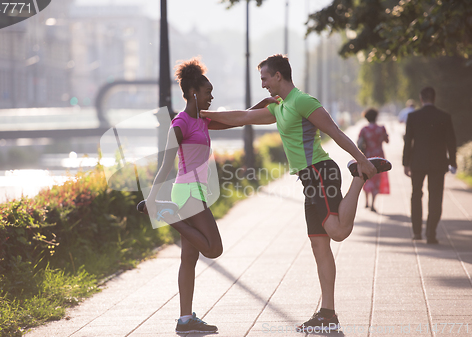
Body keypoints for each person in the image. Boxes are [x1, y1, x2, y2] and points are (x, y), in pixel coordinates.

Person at [201, 54, 391, 333]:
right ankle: (328, 313)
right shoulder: (279, 108)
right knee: (319, 245)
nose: (263, 84)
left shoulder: (302, 101)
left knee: (337, 232)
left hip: (320, 171)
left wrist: (362, 159)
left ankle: (359, 178)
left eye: (265, 78)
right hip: (308, 179)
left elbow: (335, 132)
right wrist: (199, 117)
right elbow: (241, 117)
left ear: (279, 75)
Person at [143, 58, 236, 333]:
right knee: (214, 248)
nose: (212, 97)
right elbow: (166, 165)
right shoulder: (180, 123)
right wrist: (152, 197)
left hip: (194, 191)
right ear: (194, 92)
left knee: (188, 259)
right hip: (186, 191)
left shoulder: (203, 121)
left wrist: (261, 109)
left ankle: (185, 320)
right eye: (208, 92)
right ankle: (165, 213)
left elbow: (235, 120)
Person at [403, 86, 457, 244]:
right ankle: (431, 233)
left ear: (421, 99)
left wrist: (406, 163)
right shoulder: (444, 116)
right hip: (438, 163)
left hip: (417, 162)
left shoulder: (413, 117)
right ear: (434, 98)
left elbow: (408, 142)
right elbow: (451, 141)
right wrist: (452, 162)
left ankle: (417, 232)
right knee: (435, 197)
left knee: (416, 196)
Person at [358, 108, 390, 212]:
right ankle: (373, 203)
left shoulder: (364, 129)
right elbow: (387, 140)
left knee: (366, 177)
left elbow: (359, 143)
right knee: (377, 179)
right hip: (379, 157)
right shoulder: (381, 129)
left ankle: (366, 201)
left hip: (367, 156)